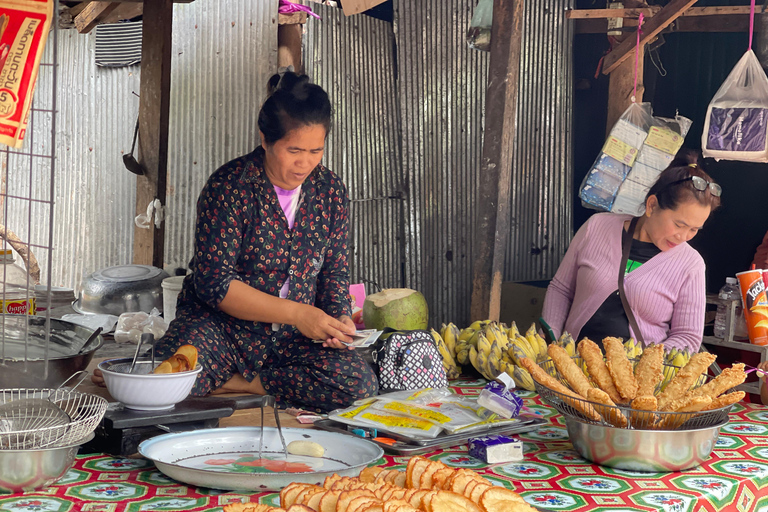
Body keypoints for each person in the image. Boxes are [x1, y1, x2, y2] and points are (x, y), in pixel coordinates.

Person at [93, 72, 378, 413]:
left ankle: (236, 383)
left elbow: (333, 271)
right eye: (294, 150)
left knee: (358, 383)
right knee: (160, 381)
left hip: (293, 340)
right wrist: (297, 313)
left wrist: (338, 321)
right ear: (265, 139)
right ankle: (210, 375)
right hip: (222, 329)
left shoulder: (330, 191)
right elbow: (215, 284)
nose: (305, 163)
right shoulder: (230, 187)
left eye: (316, 150)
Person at [542, 150, 722, 354]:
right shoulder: (597, 227)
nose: (684, 236)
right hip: (571, 367)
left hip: (634, 381)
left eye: (694, 229)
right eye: (679, 224)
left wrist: (645, 363)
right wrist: (552, 338)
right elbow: (561, 289)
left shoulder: (690, 264)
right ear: (652, 205)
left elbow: (687, 337)